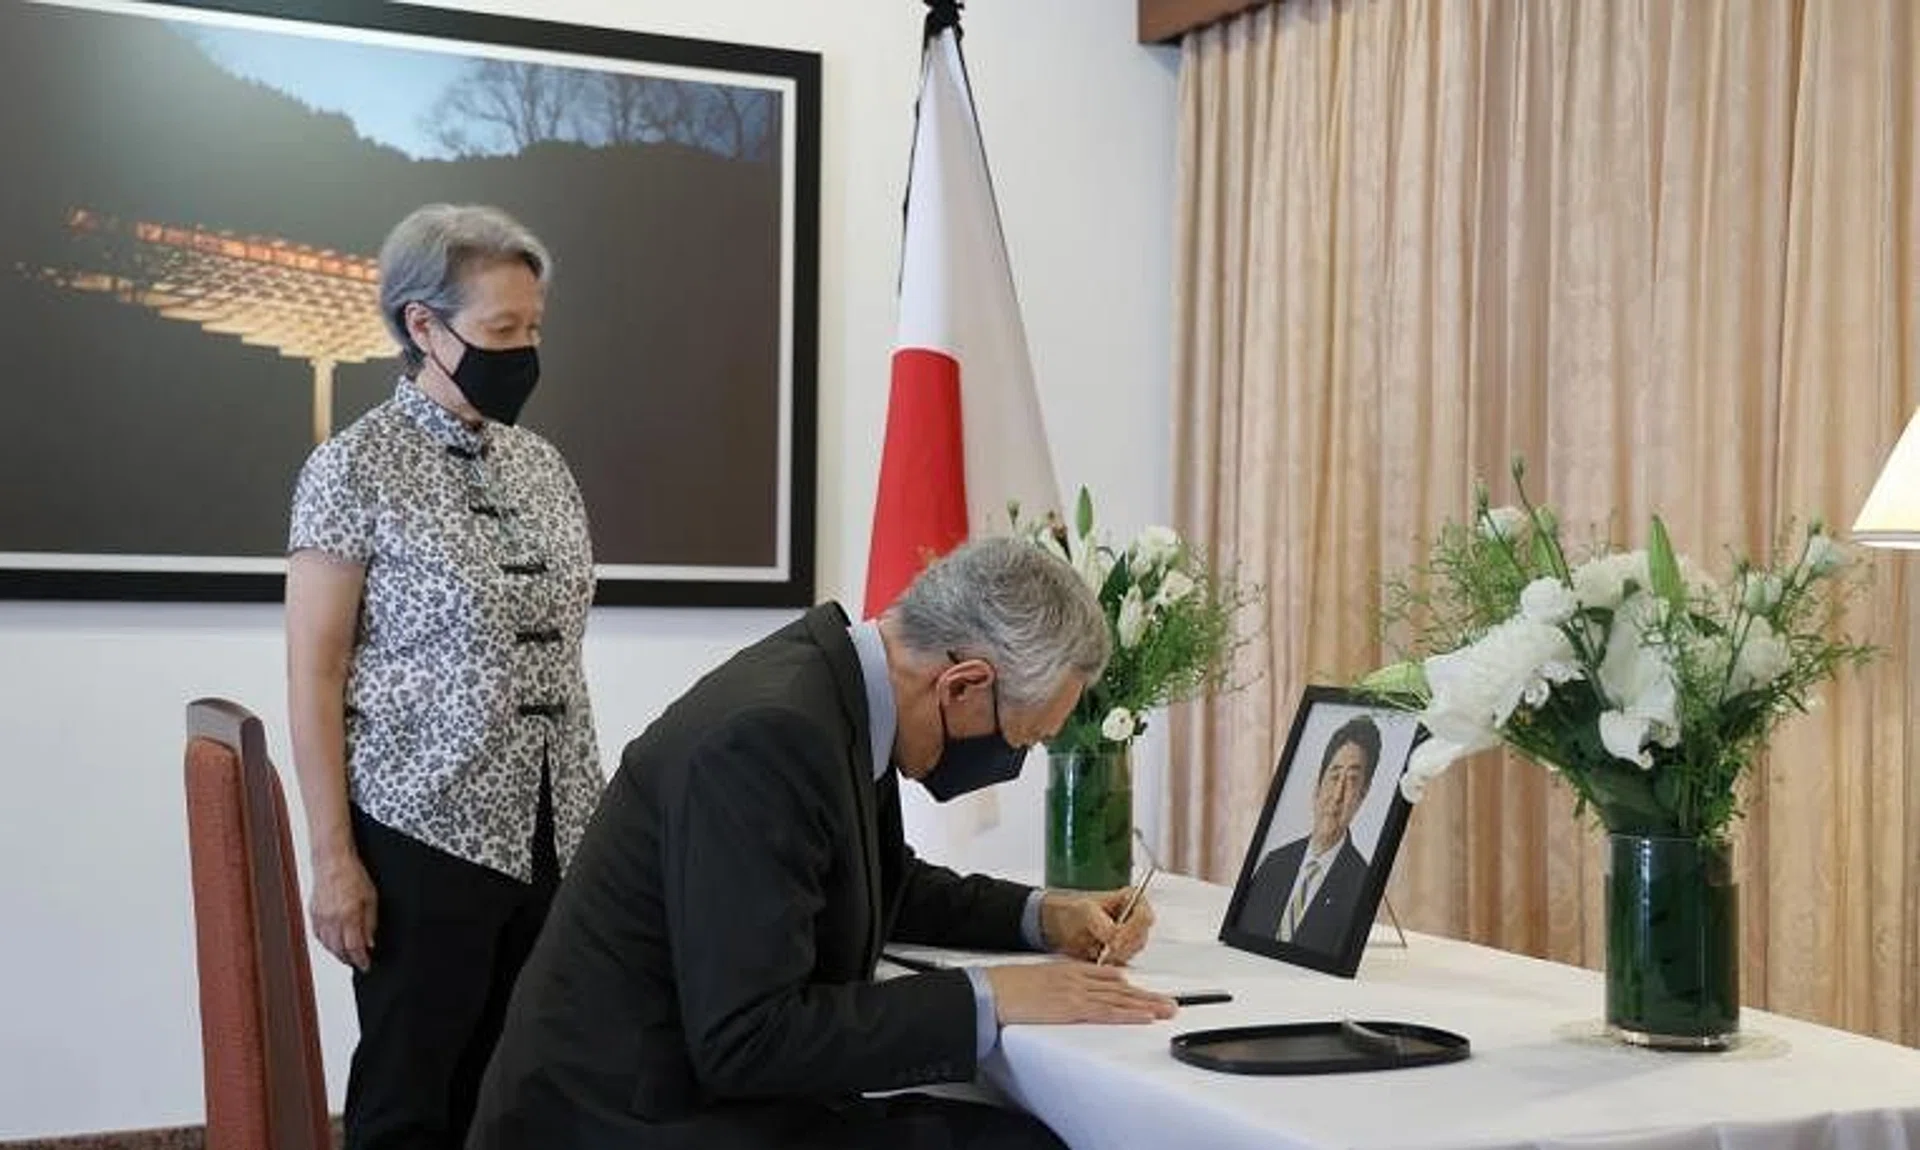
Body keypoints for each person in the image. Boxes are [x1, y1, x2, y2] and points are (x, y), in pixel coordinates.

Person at [467, 538, 1178, 1150]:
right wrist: (991, 995)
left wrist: (1041, 915)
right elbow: (751, 1040)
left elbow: (876, 880)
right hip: (632, 1121)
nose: (1011, 761)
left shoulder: (834, 688)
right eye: (1021, 739)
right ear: (964, 686)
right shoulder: (772, 737)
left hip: (675, 1095)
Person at [284, 203, 602, 1150]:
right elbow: (315, 674)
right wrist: (333, 858)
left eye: (533, 329)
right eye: (501, 332)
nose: (524, 351)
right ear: (423, 327)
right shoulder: (352, 470)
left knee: (522, 1092)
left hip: (555, 827)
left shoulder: (545, 467)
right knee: (410, 1100)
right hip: (421, 829)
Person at [1238, 715, 1380, 952]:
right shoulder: (1274, 863)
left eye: (1352, 781)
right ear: (1318, 785)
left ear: (1363, 795)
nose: (1337, 795)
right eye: (1334, 777)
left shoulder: (1361, 884)